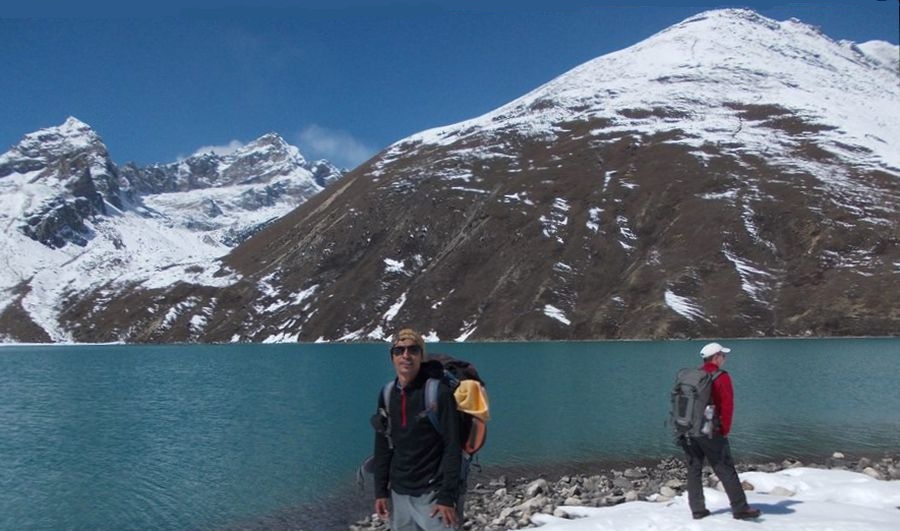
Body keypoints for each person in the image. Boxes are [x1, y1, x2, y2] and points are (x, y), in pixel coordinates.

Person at [372, 328, 463, 530]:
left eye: (413, 350)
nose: (406, 355)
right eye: (399, 350)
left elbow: (452, 446)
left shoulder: (438, 392)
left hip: (432, 494)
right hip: (398, 493)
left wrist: (447, 496)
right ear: (392, 357)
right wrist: (380, 491)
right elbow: (382, 444)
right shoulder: (387, 393)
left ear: (421, 356)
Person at [680, 342, 761, 520]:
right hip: (710, 430)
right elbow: (727, 405)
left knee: (694, 469)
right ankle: (740, 508)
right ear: (716, 357)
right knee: (724, 468)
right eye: (723, 355)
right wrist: (724, 429)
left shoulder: (694, 376)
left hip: (687, 430)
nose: (725, 358)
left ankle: (697, 509)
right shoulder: (720, 377)